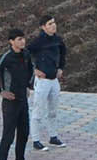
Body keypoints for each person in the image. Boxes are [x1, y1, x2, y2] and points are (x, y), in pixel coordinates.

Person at [0, 29, 34, 160]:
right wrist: (1, 91)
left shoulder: (26, 54)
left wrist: (28, 86)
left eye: (23, 38)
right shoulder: (7, 57)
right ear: (11, 42)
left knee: (24, 132)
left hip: (23, 100)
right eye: (19, 39)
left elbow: (31, 70)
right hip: (10, 102)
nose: (22, 41)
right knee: (8, 135)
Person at [26, 16, 67, 152]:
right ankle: (36, 140)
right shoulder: (38, 42)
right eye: (50, 24)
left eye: (54, 23)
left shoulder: (58, 40)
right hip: (42, 82)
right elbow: (25, 55)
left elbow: (63, 54)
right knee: (38, 110)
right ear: (43, 27)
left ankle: (53, 136)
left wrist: (60, 68)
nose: (53, 25)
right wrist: (34, 70)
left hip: (54, 81)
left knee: (53, 110)